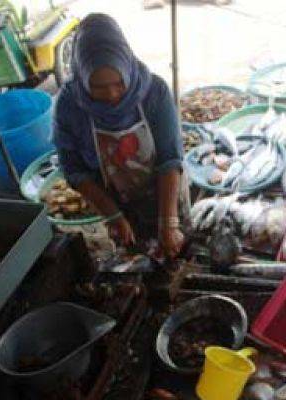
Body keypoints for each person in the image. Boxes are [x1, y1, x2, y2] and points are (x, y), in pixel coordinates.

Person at [53, 13, 186, 258]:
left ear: (127, 67)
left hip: (164, 190)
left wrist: (169, 222)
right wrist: (113, 215)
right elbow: (73, 167)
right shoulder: (69, 105)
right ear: (82, 77)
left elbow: (170, 158)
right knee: (136, 258)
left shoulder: (154, 91)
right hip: (113, 199)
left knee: (178, 250)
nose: (113, 95)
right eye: (99, 87)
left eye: (119, 83)